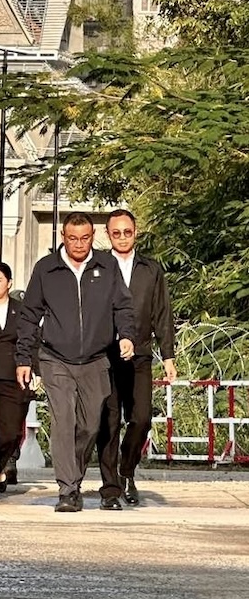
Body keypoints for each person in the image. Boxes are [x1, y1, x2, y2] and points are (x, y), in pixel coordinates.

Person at [16, 212, 135, 513]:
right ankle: (67, 490)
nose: (79, 244)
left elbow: (123, 306)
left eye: (84, 238)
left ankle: (74, 476)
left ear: (92, 236)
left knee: (90, 426)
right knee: (63, 422)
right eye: (72, 238)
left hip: (96, 359)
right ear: (63, 237)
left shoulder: (107, 266)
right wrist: (24, 358)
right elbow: (29, 316)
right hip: (55, 358)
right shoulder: (46, 268)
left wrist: (126, 336)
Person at [96, 209, 177, 508]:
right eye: (116, 233)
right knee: (108, 423)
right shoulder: (98, 267)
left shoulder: (150, 269)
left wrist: (168, 355)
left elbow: (162, 313)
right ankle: (111, 488)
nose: (122, 237)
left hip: (140, 356)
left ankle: (127, 469)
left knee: (141, 418)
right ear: (108, 234)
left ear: (136, 232)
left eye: (127, 232)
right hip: (104, 356)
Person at [0, 262, 37, 496]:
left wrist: (35, 369)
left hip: (14, 377)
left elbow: (32, 341)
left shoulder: (21, 310)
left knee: (10, 432)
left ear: (9, 283)